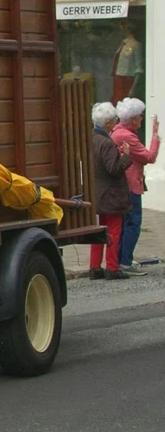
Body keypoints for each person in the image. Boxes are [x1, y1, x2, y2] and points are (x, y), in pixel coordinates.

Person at [110, 97, 160, 275]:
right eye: (140, 116)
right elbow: (149, 157)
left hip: (122, 185)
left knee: (123, 224)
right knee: (133, 223)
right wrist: (155, 137)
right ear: (132, 118)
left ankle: (120, 259)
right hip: (131, 185)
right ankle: (125, 261)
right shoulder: (128, 136)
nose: (141, 119)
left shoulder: (116, 132)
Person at [89, 103, 133, 281]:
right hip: (111, 194)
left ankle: (94, 266)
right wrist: (126, 157)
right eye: (114, 119)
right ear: (107, 122)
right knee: (113, 231)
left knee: (98, 230)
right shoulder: (107, 143)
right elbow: (114, 169)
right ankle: (112, 268)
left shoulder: (91, 138)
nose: (115, 122)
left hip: (96, 192)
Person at [111, 19, 143, 104]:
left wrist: (133, 88)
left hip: (127, 80)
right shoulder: (122, 44)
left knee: (126, 105)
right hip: (118, 79)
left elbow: (139, 68)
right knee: (116, 103)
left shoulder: (136, 45)